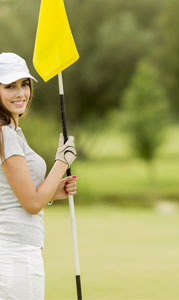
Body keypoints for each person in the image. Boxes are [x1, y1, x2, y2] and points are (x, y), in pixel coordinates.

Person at [0, 52, 77, 299]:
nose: (20, 93)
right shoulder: (6, 134)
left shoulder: (11, 132)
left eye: (24, 84)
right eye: (9, 86)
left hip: (15, 251)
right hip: (15, 253)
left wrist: (54, 191)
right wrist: (61, 163)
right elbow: (32, 204)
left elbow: (18, 195)